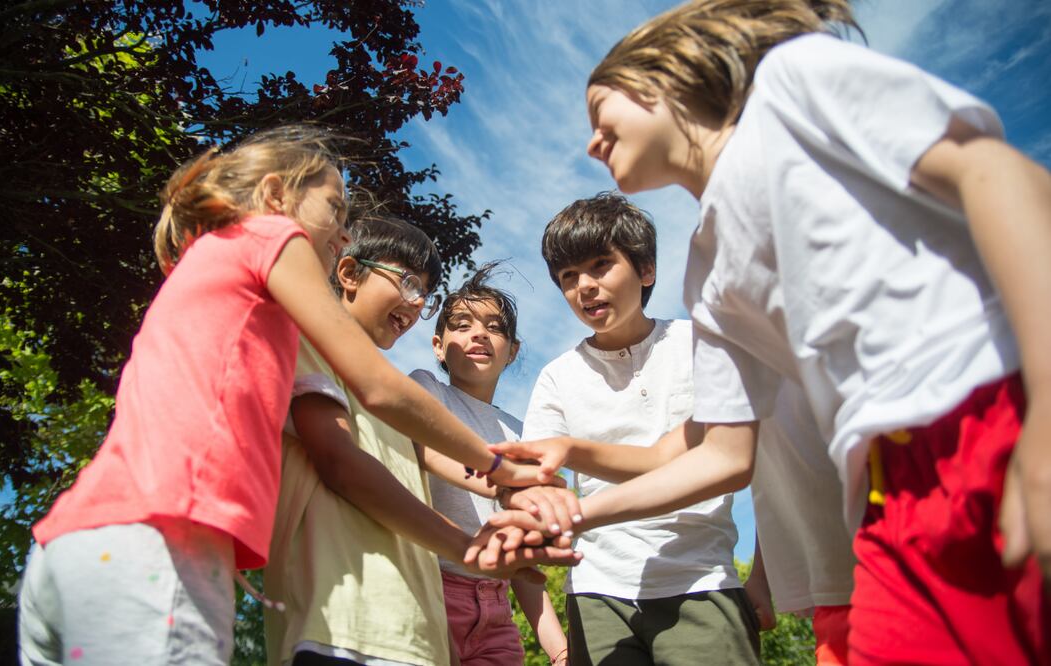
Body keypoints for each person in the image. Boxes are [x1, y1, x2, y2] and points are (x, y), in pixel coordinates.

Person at [487, 1, 1051, 663]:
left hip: (990, 413)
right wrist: (572, 515)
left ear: (663, 82)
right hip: (882, 490)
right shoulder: (708, 269)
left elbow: (997, 173)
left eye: (600, 111)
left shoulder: (792, 84)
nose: (591, 141)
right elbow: (723, 456)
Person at [16, 125, 555, 665]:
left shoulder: (246, 300)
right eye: (336, 211)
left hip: (88, 540)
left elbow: (408, 436)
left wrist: (504, 480)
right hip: (159, 540)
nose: (344, 235)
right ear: (276, 196)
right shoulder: (268, 237)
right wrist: (494, 466)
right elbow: (375, 388)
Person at [264, 219, 577, 666]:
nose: (415, 302)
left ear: (513, 349)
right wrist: (477, 531)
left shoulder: (388, 395)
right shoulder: (393, 384)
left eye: (423, 294)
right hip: (342, 618)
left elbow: (429, 458)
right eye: (408, 282)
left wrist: (516, 485)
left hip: (417, 617)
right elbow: (353, 460)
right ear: (348, 272)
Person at [522, 193, 759, 665]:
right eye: (569, 277)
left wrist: (764, 578)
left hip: (701, 577)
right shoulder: (557, 376)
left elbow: (747, 461)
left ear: (646, 269)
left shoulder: (701, 345)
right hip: (597, 590)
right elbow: (533, 477)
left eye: (600, 265)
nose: (584, 286)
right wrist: (527, 505)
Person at [410, 264, 570, 666]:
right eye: (461, 325)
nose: (478, 333)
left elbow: (524, 567)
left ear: (512, 350)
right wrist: (499, 481)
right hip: (430, 590)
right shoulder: (427, 390)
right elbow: (424, 451)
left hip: (496, 611)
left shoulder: (521, 434)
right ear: (437, 345)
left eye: (494, 327)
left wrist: (560, 649)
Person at [746, 381, 855, 665]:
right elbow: (778, 486)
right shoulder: (728, 356)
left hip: (909, 556)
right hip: (835, 590)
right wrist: (760, 575)